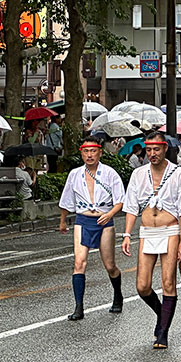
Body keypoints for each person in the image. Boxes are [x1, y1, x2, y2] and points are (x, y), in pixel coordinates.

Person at [121, 132, 181, 348]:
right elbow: (131, 206)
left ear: (164, 149)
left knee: (168, 282)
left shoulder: (178, 173)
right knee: (142, 285)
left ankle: (163, 333)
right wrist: (126, 234)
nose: (152, 154)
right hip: (147, 231)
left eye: (156, 149)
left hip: (170, 229)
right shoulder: (139, 174)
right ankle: (163, 314)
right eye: (149, 150)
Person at [58, 136, 125, 321]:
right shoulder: (75, 174)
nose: (89, 155)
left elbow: (120, 200)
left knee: (110, 265)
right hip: (83, 220)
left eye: (93, 151)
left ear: (100, 153)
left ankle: (118, 295)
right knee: (79, 263)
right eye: (86, 151)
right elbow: (66, 200)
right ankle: (79, 307)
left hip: (104, 221)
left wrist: (110, 214)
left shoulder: (110, 173)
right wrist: (63, 220)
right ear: (81, 153)